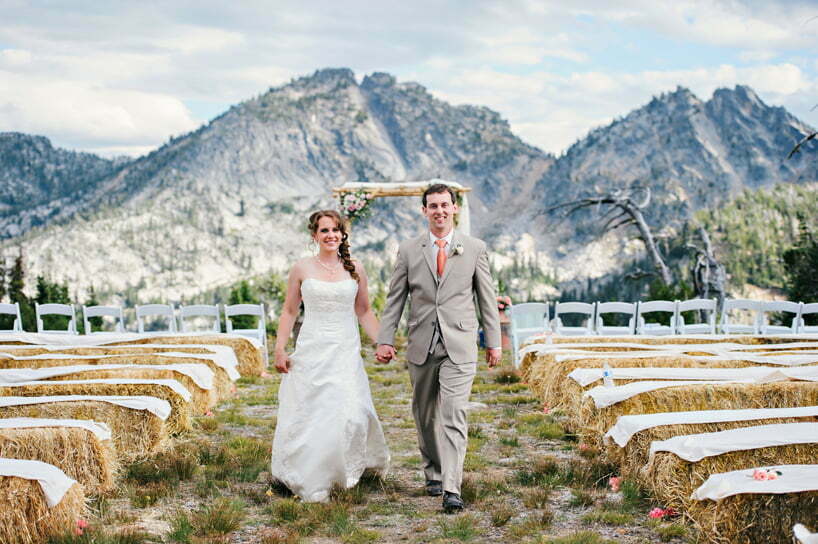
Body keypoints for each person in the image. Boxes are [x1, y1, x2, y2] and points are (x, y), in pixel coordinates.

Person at [375, 184, 501, 512]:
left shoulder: (474, 248)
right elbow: (395, 300)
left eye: (445, 205)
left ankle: (451, 488)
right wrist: (385, 339)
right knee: (424, 414)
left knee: (453, 413)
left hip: (459, 345)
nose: (440, 211)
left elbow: (487, 298)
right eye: (433, 206)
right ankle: (433, 471)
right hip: (421, 344)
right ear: (424, 211)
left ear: (455, 208)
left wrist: (494, 341)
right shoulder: (408, 250)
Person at [271, 210, 390, 502]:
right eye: (324, 230)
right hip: (313, 347)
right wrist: (279, 348)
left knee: (351, 411)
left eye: (336, 230)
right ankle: (313, 472)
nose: (331, 235)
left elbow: (364, 311)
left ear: (342, 234)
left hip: (345, 349)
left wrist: (382, 342)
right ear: (314, 235)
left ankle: (344, 467)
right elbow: (289, 311)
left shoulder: (355, 268)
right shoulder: (301, 268)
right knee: (314, 410)